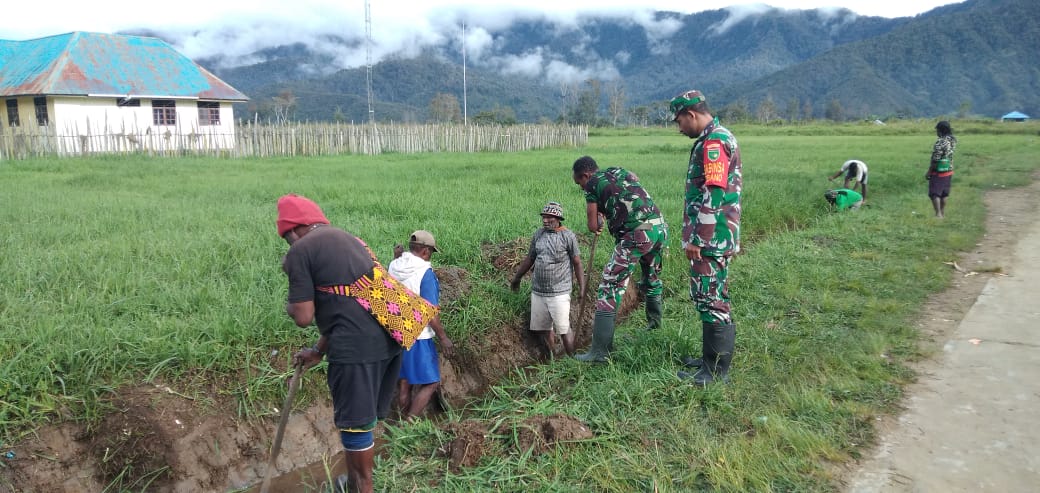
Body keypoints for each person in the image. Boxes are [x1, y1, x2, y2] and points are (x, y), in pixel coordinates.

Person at [278, 194, 401, 493]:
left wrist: (290, 304)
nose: (289, 245)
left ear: (292, 230)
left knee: (356, 427)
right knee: (361, 424)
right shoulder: (352, 241)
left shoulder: (301, 250)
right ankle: (355, 483)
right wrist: (318, 351)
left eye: (287, 239)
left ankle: (362, 485)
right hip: (390, 340)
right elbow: (346, 303)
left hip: (357, 350)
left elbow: (304, 316)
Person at [669, 89, 743, 385]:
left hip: (711, 238)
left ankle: (714, 372)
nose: (679, 128)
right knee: (712, 295)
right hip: (716, 236)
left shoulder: (714, 141)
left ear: (692, 115)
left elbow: (714, 191)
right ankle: (710, 360)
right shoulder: (717, 136)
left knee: (711, 298)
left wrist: (699, 239)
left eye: (679, 121)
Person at [571, 156, 668, 363]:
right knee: (651, 277)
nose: (581, 187)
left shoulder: (592, 185)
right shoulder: (618, 171)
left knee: (609, 286)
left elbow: (592, 225)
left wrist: (599, 217)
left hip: (637, 233)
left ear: (586, 175)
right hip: (657, 227)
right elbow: (634, 181)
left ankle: (599, 352)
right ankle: (654, 326)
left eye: (579, 183)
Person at [387, 230, 454, 419]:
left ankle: (400, 424)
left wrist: (395, 257)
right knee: (432, 383)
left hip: (394, 331)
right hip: (418, 335)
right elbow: (429, 312)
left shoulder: (393, 265)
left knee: (405, 382)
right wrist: (443, 338)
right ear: (425, 251)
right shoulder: (425, 273)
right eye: (431, 252)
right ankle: (410, 423)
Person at [509, 202, 585, 356]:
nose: (545, 220)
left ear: (558, 218)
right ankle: (553, 358)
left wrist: (582, 288)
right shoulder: (539, 234)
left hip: (560, 292)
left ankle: (574, 362)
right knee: (545, 328)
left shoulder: (567, 236)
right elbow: (530, 258)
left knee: (563, 329)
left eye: (549, 217)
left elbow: (577, 262)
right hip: (538, 291)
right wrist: (517, 278)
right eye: (543, 217)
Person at [926, 120, 957, 218]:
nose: (936, 132)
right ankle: (942, 212)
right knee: (944, 193)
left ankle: (938, 214)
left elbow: (936, 159)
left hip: (939, 171)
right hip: (949, 169)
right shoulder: (952, 140)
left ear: (940, 130)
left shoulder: (941, 142)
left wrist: (929, 171)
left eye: (937, 130)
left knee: (935, 193)